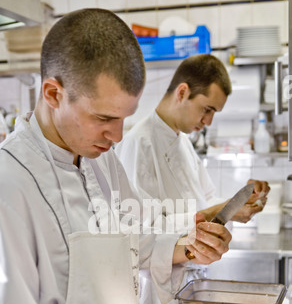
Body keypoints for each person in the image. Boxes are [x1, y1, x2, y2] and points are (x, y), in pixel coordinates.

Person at [0, 9, 238, 304]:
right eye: (104, 119)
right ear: (53, 92)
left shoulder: (100, 160)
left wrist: (185, 246)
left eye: (125, 118)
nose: (118, 136)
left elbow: (133, 237)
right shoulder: (7, 184)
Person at [116, 54, 270, 230]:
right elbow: (141, 227)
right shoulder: (138, 143)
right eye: (207, 109)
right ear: (182, 93)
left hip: (194, 256)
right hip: (168, 258)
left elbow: (206, 200)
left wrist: (239, 203)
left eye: (214, 113)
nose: (208, 122)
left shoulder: (183, 142)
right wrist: (220, 211)